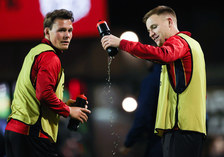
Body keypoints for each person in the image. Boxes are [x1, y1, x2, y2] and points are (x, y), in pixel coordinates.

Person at [101, 5, 206, 157]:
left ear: (170, 22)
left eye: (154, 27)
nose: (151, 34)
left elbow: (163, 55)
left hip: (180, 129)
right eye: (149, 30)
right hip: (190, 129)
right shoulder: (193, 44)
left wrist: (122, 43)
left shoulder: (178, 42)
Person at [4, 9, 91, 157]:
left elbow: (36, 95)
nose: (67, 35)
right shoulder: (50, 57)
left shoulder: (36, 52)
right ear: (47, 32)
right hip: (32, 135)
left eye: (70, 30)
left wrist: (64, 104)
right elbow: (44, 94)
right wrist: (69, 111)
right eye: (61, 30)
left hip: (16, 132)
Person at [119, 63, 163, 157]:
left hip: (159, 142)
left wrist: (129, 142)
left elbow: (143, 116)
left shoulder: (151, 81)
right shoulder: (180, 78)